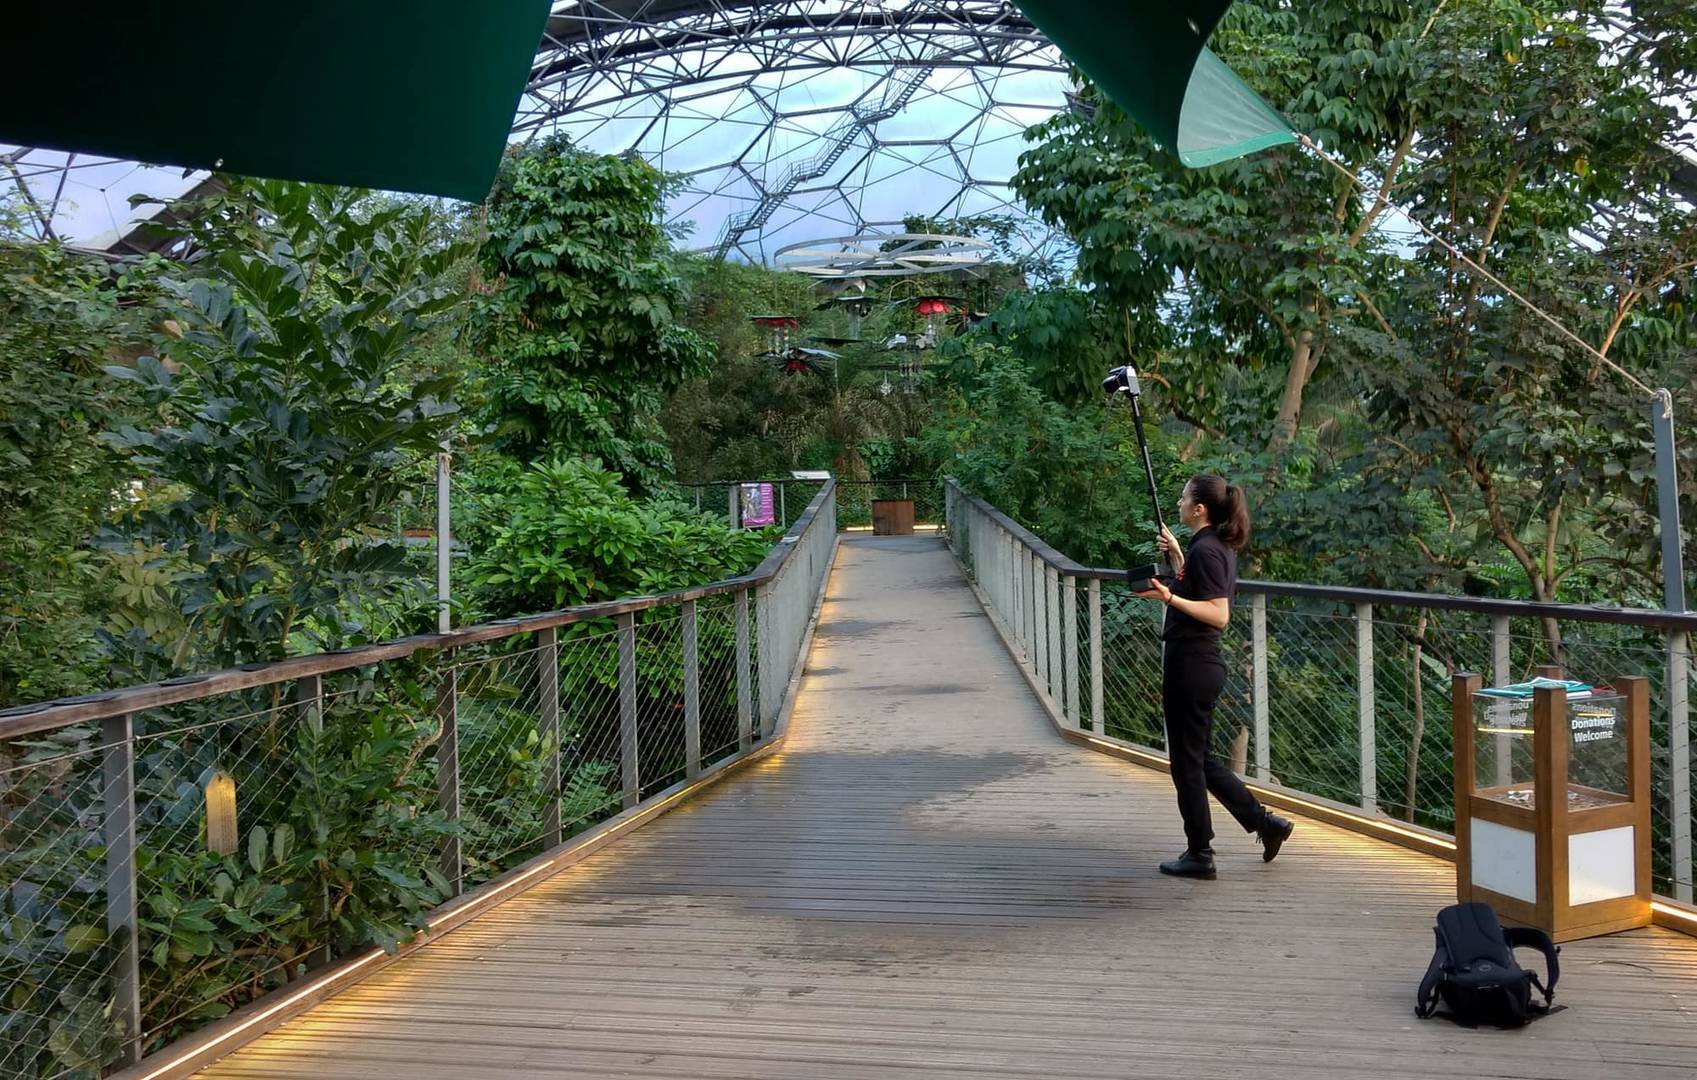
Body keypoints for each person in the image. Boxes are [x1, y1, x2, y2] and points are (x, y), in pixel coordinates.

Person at [1135, 475, 1293, 879]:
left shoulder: (1206, 550)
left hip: (1191, 664)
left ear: (1199, 508)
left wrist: (1168, 596)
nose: (1179, 502)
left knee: (1186, 764)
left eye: (1184, 497)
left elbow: (1218, 614)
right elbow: (1199, 589)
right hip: (1200, 664)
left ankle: (1200, 853)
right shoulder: (1209, 546)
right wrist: (1177, 559)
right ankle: (1265, 823)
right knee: (1199, 759)